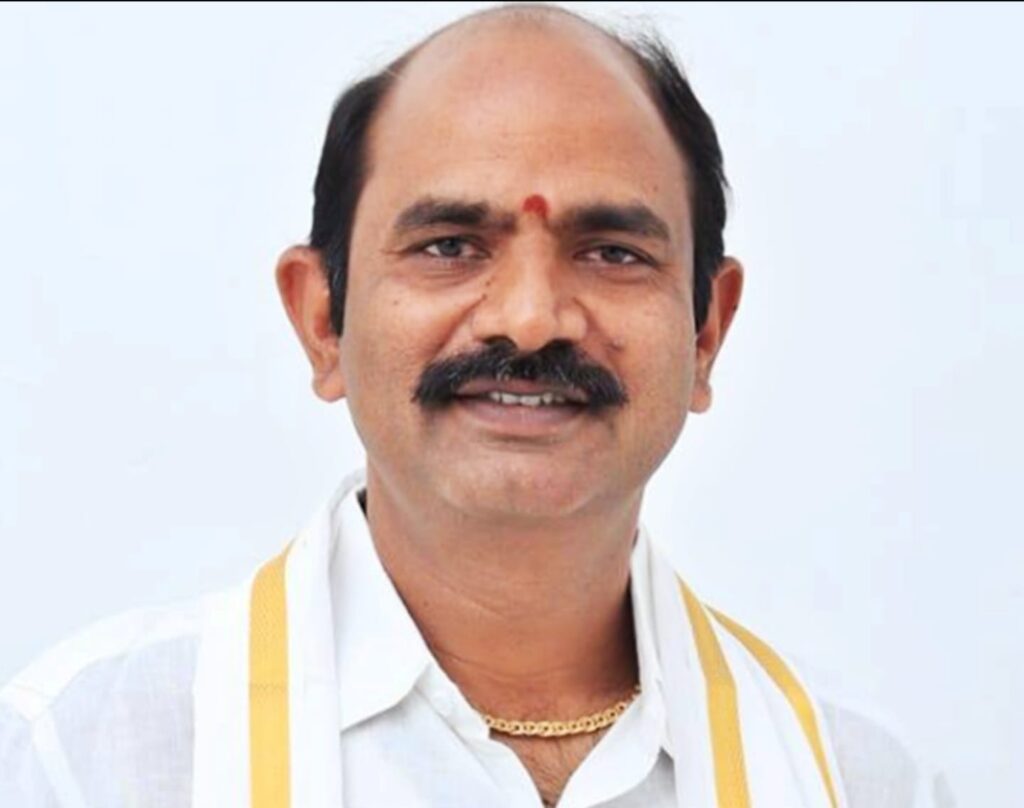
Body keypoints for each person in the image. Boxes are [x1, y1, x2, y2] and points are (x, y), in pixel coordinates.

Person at [0, 5, 951, 807]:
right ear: (322, 319)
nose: (530, 319)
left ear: (707, 331)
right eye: (450, 246)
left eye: (612, 252)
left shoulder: (857, 781)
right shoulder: (84, 759)